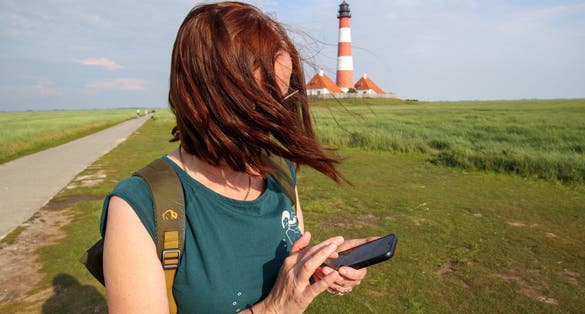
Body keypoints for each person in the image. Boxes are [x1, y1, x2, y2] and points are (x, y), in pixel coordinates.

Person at [101, 2, 374, 313]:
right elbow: (278, 304)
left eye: (282, 97)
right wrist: (272, 309)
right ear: (204, 97)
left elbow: (284, 271)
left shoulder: (279, 172)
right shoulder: (139, 206)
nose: (277, 118)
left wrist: (315, 272)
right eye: (259, 102)